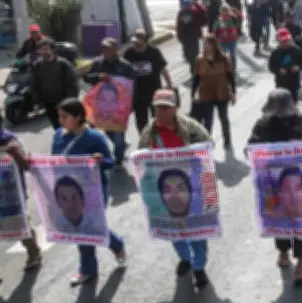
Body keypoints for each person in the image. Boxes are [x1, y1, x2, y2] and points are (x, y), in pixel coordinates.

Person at [246, 88, 302, 284]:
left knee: (301, 221)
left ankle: (301, 263)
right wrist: (265, 152)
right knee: (279, 218)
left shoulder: (300, 121)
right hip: (275, 183)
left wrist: (298, 144)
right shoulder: (263, 124)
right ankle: (283, 252)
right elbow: (250, 148)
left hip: (299, 182)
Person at [137, 88, 212, 287]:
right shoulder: (149, 131)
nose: (160, 112)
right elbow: (141, 157)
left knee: (197, 228)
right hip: (165, 191)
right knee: (173, 227)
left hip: (192, 186)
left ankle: (199, 267)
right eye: (157, 108)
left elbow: (208, 146)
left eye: (165, 108)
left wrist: (189, 157)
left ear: (175, 109)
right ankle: (185, 257)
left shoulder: (191, 127)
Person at [50, 98, 126, 285]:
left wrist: (100, 160)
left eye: (64, 116)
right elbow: (53, 161)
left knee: (89, 225)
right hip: (69, 190)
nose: (60, 120)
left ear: (78, 117)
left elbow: (109, 162)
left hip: (94, 189)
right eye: (59, 116)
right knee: (81, 228)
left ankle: (111, 248)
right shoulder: (59, 135)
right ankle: (90, 267)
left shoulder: (95, 137)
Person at [0, 114, 43, 278]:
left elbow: (26, 166)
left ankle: (34, 252)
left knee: (22, 226)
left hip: (13, 196)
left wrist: (14, 153)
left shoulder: (10, 141)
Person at [83, 37, 137, 167]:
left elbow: (132, 86)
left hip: (119, 107)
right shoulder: (97, 63)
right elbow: (86, 78)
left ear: (115, 50)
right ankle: (121, 147)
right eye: (103, 48)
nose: (105, 51)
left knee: (118, 134)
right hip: (101, 106)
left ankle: (118, 159)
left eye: (108, 48)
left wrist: (131, 105)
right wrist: (98, 77)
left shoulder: (125, 66)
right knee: (107, 130)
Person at [124, 29, 174, 133]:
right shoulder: (129, 53)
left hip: (154, 92)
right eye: (135, 44)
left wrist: (170, 85)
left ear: (146, 42)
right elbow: (123, 72)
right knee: (141, 123)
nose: (136, 46)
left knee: (158, 120)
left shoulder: (154, 52)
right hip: (137, 95)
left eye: (139, 44)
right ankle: (145, 142)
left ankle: (159, 141)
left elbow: (163, 69)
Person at [192, 35, 236, 149]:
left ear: (213, 46)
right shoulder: (200, 60)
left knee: (223, 118)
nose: (205, 47)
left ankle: (227, 140)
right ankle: (207, 142)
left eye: (207, 44)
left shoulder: (224, 59)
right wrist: (193, 94)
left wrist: (233, 93)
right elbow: (196, 78)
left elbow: (230, 77)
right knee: (208, 120)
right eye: (204, 44)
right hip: (206, 94)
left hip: (222, 93)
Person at [31, 38, 78, 130]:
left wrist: (70, 102)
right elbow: (35, 84)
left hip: (63, 102)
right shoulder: (37, 65)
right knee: (57, 128)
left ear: (52, 50)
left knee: (68, 127)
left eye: (46, 49)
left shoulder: (63, 64)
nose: (43, 52)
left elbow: (72, 84)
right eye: (41, 49)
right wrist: (36, 102)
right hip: (48, 103)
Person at [268, 28, 302, 102]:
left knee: (293, 104)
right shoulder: (275, 53)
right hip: (281, 83)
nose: (285, 43)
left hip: (294, 82)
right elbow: (271, 67)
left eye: (287, 40)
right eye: (283, 41)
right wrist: (278, 70)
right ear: (279, 41)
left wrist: (298, 67)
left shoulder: (296, 50)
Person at [176, 0, 206, 74]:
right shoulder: (181, 13)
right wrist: (179, 36)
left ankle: (195, 68)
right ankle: (194, 65)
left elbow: (203, 17)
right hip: (185, 37)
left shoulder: (195, 11)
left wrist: (198, 5)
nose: (187, 7)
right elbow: (179, 25)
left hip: (194, 36)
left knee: (195, 53)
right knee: (187, 54)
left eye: (188, 5)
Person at [213, 4, 242, 71]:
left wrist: (235, 10)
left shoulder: (232, 17)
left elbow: (240, 17)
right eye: (223, 10)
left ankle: (233, 69)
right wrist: (215, 38)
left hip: (232, 40)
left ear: (228, 10)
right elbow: (215, 30)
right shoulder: (218, 19)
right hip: (222, 40)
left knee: (232, 55)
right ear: (220, 11)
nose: (224, 11)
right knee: (223, 55)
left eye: (226, 10)